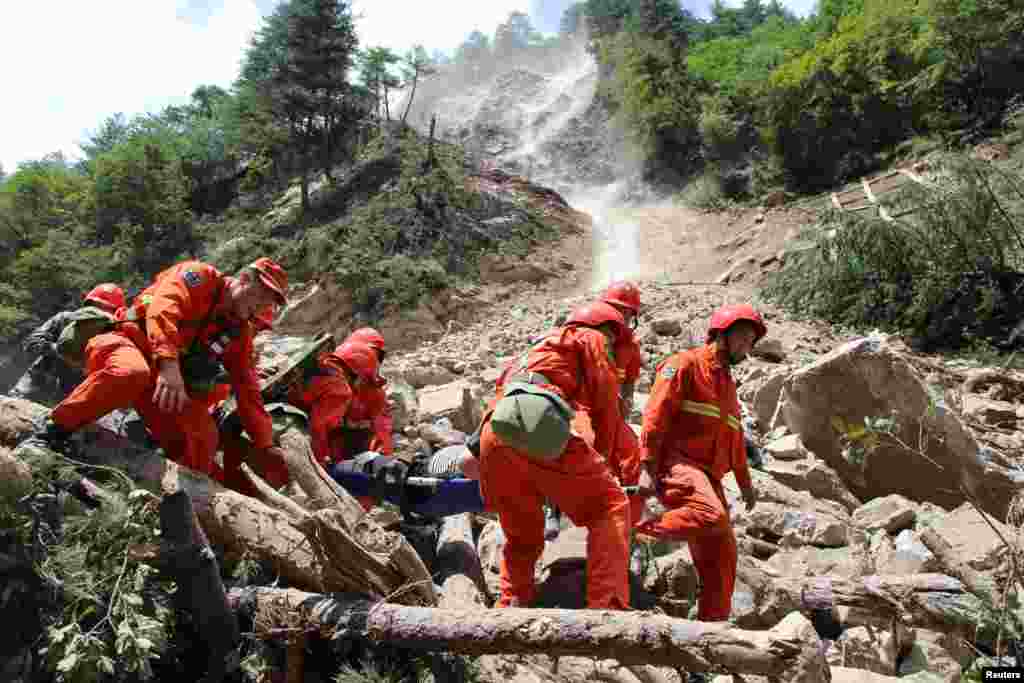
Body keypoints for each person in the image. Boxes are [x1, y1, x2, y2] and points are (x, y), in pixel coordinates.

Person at [34, 259, 290, 491]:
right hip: (127, 343)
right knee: (131, 372)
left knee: (203, 434)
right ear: (244, 280)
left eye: (265, 305)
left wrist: (265, 444)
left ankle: (178, 497)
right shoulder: (199, 276)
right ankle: (49, 433)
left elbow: (248, 388)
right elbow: (163, 309)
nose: (259, 309)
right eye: (259, 298)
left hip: (160, 378)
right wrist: (169, 365)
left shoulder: (238, 331)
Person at [479, 301, 631, 610]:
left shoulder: (530, 353)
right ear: (607, 330)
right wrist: (604, 461)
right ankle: (608, 607)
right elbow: (605, 403)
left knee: (523, 534)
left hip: (494, 432)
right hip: (537, 423)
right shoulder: (592, 339)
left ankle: (512, 602)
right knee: (610, 506)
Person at [635, 304, 764, 642]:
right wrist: (647, 467)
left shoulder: (728, 387)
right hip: (676, 464)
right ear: (722, 332)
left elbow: (735, 440)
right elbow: (655, 417)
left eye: (752, 341)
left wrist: (746, 486)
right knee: (711, 515)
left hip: (709, 477)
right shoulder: (685, 364)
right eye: (744, 338)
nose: (747, 348)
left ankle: (710, 639)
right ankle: (635, 532)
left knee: (724, 557)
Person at [286, 340, 383, 509]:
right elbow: (318, 429)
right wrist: (319, 465)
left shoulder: (321, 365)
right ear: (358, 373)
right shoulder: (340, 390)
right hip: (288, 435)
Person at [12, 283, 127, 405]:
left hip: (70, 400)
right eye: (95, 306)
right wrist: (59, 351)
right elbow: (31, 343)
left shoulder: (116, 335)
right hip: (35, 388)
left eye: (103, 308)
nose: (97, 312)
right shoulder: (65, 319)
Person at [340, 327, 394, 457]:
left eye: (378, 356)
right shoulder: (327, 380)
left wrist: (381, 458)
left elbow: (381, 426)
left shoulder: (374, 391)